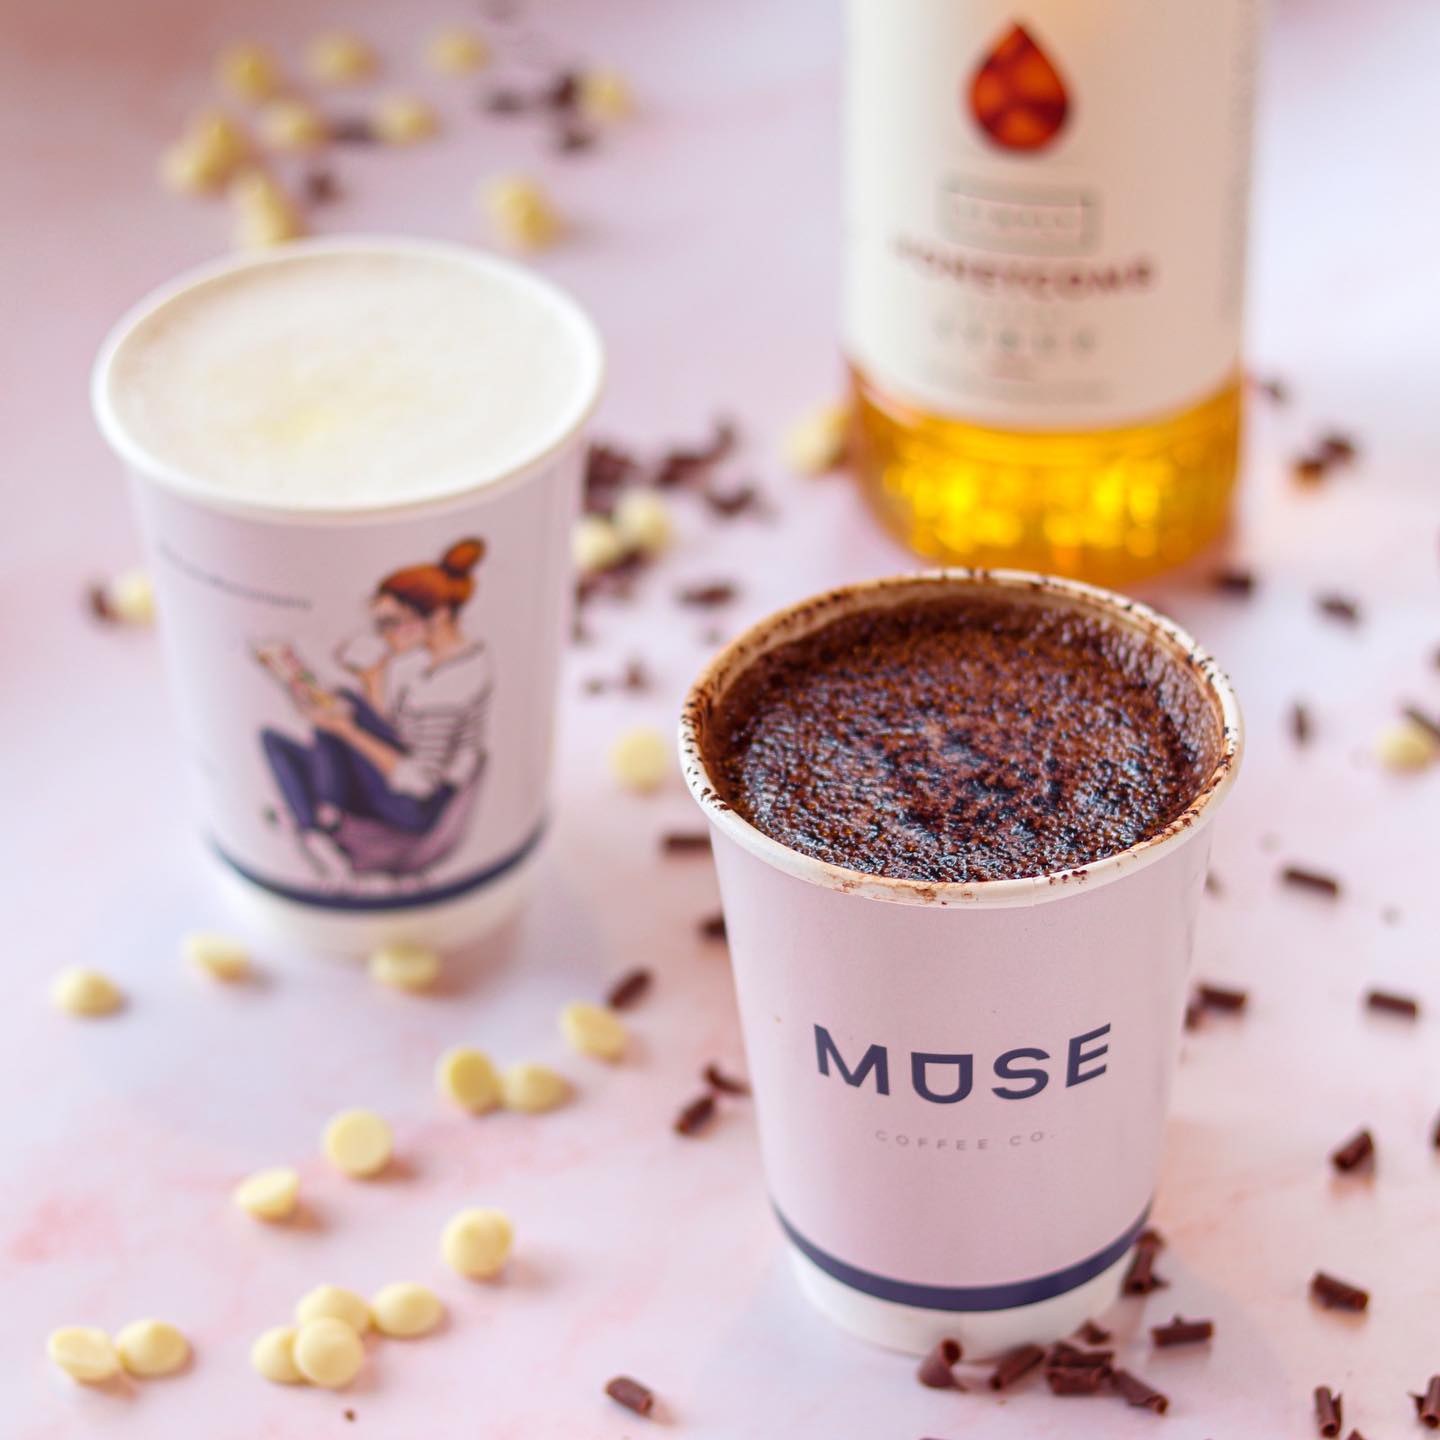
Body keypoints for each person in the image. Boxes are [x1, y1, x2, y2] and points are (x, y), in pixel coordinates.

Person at [261, 538, 493, 882]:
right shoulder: (443, 665)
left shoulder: (451, 686)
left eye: (392, 622)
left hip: (418, 809)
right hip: (403, 789)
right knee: (280, 738)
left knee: (341, 707)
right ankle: (317, 818)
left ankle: (323, 820)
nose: (384, 635)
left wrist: (346, 731)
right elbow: (401, 739)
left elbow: (419, 782)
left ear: (440, 616)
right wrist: (373, 680)